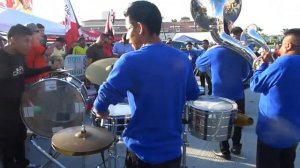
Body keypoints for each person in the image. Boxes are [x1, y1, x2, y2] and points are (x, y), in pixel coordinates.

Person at [92, 1, 200, 167]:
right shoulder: (182, 59)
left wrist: (101, 111)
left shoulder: (130, 60)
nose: (127, 36)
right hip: (172, 153)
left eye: (128, 28)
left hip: (141, 153)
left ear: (140, 28)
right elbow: (193, 94)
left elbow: (104, 96)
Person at [0, 24, 59, 168]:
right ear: (13, 40)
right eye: (26, 41)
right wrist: (19, 93)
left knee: (20, 136)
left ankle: (22, 163)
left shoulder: (20, 55)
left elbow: (25, 73)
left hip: (19, 107)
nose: (30, 45)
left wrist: (49, 67)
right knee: (8, 142)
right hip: (4, 112)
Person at [196, 24, 249, 160]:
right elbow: (245, 74)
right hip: (238, 92)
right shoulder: (241, 51)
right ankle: (237, 146)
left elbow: (200, 65)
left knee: (221, 123)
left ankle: (225, 151)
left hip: (220, 94)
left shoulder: (214, 51)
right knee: (239, 120)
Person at [250, 28, 300, 168]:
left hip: (272, 132)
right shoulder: (283, 64)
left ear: (288, 46)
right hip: (294, 131)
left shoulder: (284, 63)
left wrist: (262, 66)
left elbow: (256, 85)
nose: (279, 49)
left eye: (282, 45)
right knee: (287, 163)